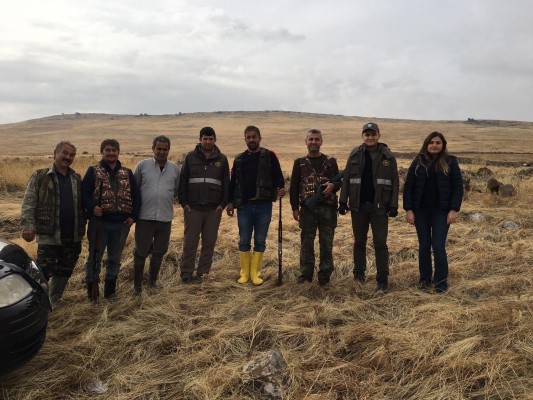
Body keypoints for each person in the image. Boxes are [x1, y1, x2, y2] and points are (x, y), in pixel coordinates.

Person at [20, 141, 86, 306]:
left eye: (71, 155)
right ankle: (35, 304)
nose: (68, 157)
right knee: (43, 271)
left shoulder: (76, 178)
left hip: (73, 235)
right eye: (65, 153)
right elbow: (29, 203)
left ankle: (55, 300)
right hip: (50, 234)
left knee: (65, 270)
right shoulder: (40, 176)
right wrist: (27, 226)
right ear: (55, 153)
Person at [339, 122, 399, 294]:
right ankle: (359, 276)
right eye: (367, 134)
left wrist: (393, 205)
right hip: (358, 207)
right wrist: (342, 202)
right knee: (359, 243)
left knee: (380, 244)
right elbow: (347, 179)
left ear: (379, 135)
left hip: (380, 208)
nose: (370, 137)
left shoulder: (388, 156)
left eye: (373, 134)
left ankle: (382, 280)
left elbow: (395, 182)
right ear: (363, 136)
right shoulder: (354, 154)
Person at [403, 131, 463, 293]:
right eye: (431, 142)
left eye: (438, 143)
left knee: (438, 246)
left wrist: (453, 209)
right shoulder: (418, 161)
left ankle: (441, 283)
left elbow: (458, 187)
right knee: (424, 246)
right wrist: (409, 209)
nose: (434, 145)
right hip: (420, 212)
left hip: (441, 212)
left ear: (443, 145)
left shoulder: (450, 162)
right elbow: (408, 187)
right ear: (426, 144)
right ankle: (424, 280)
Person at [82, 139, 141, 300]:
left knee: (115, 259)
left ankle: (110, 292)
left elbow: (136, 196)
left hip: (122, 224)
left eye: (114, 150)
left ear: (118, 152)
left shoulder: (127, 173)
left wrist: (133, 217)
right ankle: (92, 292)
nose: (111, 153)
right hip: (99, 223)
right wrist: (92, 207)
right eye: (107, 150)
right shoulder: (93, 171)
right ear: (102, 152)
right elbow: (84, 193)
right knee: (94, 258)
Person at [227, 125, 286, 285]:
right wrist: (230, 202)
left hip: (264, 206)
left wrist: (281, 188)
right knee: (244, 239)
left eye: (254, 137)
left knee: (260, 240)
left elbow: (278, 177)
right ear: (245, 139)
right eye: (249, 137)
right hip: (244, 207)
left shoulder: (269, 156)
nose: (251, 139)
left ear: (260, 138)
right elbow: (233, 182)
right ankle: (244, 273)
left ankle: (255, 273)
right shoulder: (239, 159)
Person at [289, 129, 341, 285]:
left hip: (328, 209)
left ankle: (324, 276)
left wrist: (333, 186)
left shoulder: (331, 162)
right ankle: (306, 275)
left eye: (317, 139)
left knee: (326, 244)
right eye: (311, 139)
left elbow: (339, 182)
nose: (313, 142)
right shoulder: (299, 163)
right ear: (306, 141)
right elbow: (294, 187)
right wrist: (295, 208)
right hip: (307, 209)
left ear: (321, 142)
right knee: (306, 243)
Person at [178, 127, 229, 283]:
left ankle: (203, 274)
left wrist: (222, 204)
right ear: (200, 139)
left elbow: (226, 183)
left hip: (213, 209)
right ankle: (186, 274)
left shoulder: (222, 159)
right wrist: (184, 203)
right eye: (205, 138)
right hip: (193, 208)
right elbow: (183, 180)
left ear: (215, 140)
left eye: (210, 139)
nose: (208, 141)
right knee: (190, 242)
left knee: (209, 243)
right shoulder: (190, 157)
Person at [132, 135, 180, 295]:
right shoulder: (142, 166)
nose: (161, 152)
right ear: (153, 149)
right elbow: (135, 189)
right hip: (144, 217)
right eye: (158, 148)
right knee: (140, 252)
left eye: (165, 149)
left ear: (169, 150)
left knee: (159, 252)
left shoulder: (175, 169)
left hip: (165, 218)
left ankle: (152, 283)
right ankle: (137, 286)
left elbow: (176, 191)